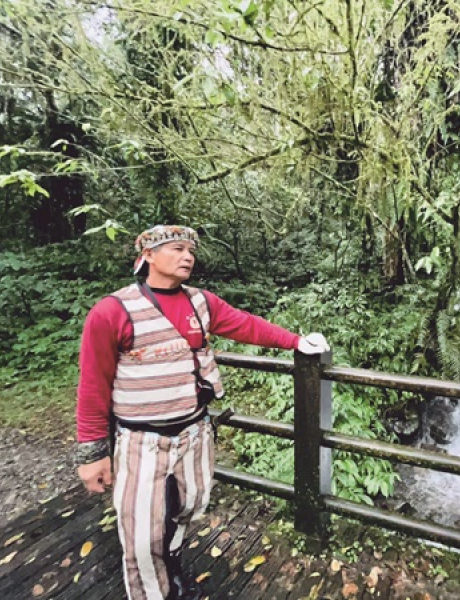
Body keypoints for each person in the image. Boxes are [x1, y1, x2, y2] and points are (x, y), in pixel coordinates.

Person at [75, 224, 329, 600]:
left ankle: (172, 566)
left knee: (188, 505)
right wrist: (92, 454)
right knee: (142, 532)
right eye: (177, 248)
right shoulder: (113, 311)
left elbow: (245, 325)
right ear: (148, 256)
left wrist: (296, 341)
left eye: (191, 251)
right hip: (142, 439)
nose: (187, 256)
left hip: (194, 431)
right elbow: (93, 384)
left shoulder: (200, 303)